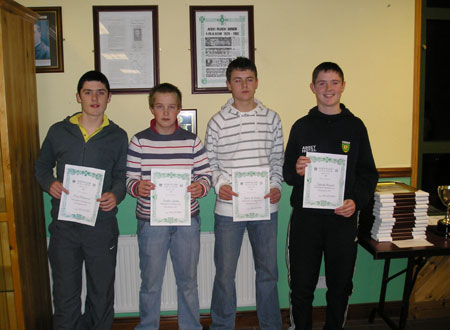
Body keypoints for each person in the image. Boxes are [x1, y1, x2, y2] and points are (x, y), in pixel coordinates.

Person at [283, 62, 378, 330]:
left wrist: (356, 202)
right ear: (312, 87)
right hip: (305, 221)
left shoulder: (356, 127)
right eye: (322, 83)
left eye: (334, 82)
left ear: (343, 86)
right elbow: (288, 174)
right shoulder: (301, 127)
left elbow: (369, 174)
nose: (328, 89)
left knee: (340, 287)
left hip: (342, 220)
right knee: (301, 287)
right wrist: (296, 169)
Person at [35, 70, 128, 330]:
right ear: (78, 97)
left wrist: (116, 194)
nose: (94, 98)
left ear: (109, 97)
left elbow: (122, 175)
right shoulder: (58, 131)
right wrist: (49, 183)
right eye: (88, 92)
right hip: (64, 227)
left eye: (100, 92)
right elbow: (42, 166)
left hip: (101, 227)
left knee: (101, 294)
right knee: (65, 295)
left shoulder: (118, 135)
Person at [205, 57, 284, 329]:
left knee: (268, 273)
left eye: (249, 79)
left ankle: (271, 325)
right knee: (225, 274)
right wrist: (219, 185)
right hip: (228, 211)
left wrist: (276, 186)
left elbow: (277, 159)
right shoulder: (217, 122)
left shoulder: (272, 118)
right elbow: (210, 162)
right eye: (237, 80)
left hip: (265, 208)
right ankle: (222, 325)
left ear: (257, 82)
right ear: (229, 84)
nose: (244, 85)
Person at [126, 83, 212, 330]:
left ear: (179, 109)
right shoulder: (139, 141)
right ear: (152, 108)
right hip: (151, 222)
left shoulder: (192, 141)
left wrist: (200, 187)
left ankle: (191, 327)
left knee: (188, 282)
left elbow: (205, 175)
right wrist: (137, 188)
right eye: (160, 107)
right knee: (150, 282)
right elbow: (130, 178)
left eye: (171, 107)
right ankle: (147, 326)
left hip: (187, 222)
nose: (165, 112)